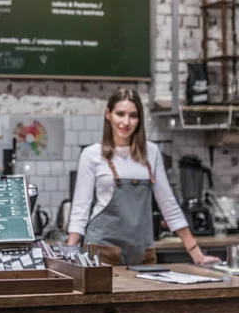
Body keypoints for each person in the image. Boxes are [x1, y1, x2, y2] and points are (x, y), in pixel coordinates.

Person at [66, 88, 219, 266]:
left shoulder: (151, 153)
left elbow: (168, 204)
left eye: (133, 115)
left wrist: (196, 254)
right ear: (108, 114)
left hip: (142, 250)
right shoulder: (91, 154)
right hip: (102, 249)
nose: (126, 122)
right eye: (120, 114)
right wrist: (70, 252)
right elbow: (80, 208)